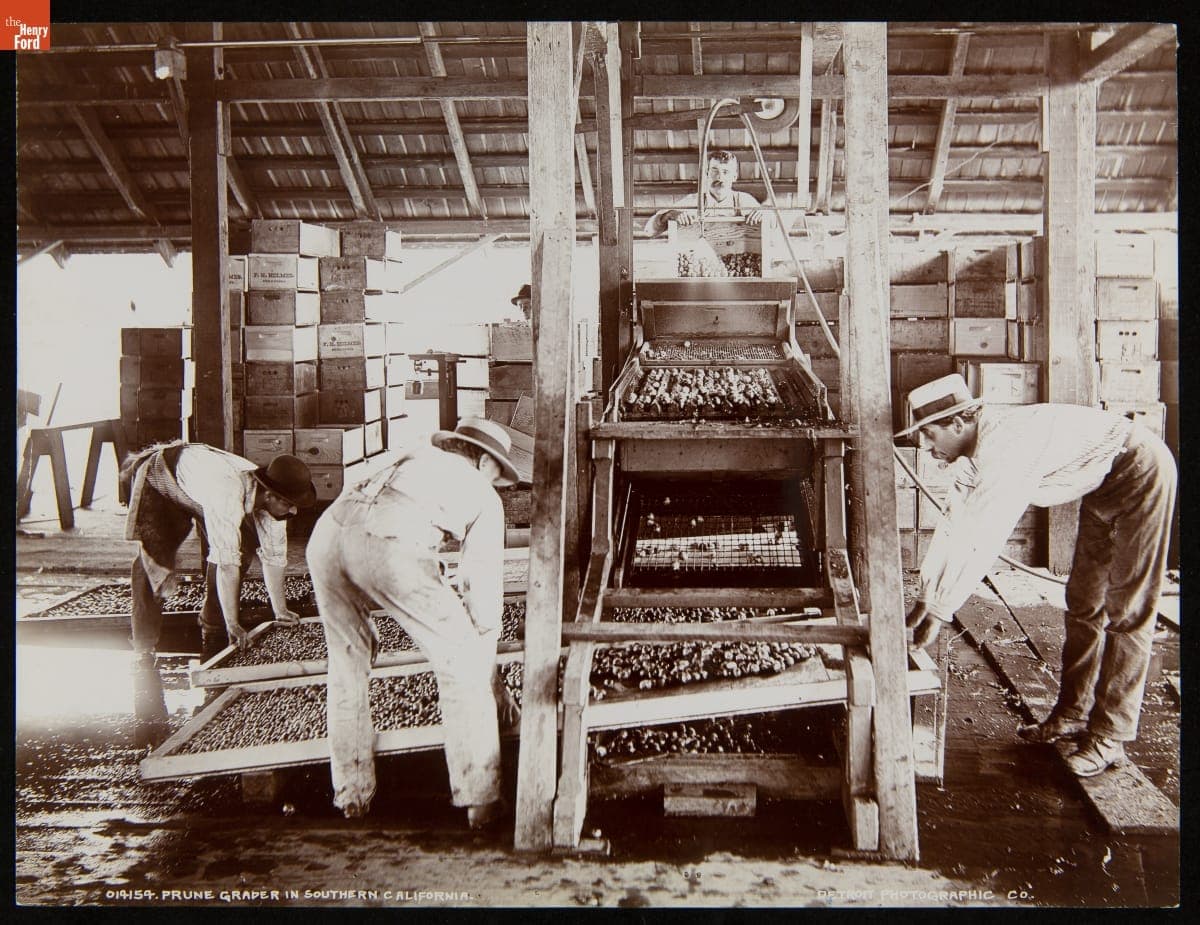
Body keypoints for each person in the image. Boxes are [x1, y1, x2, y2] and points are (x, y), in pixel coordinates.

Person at [896, 374, 1177, 778]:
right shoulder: (973, 455)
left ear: (957, 423)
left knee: (1128, 609)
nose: (925, 446)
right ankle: (1072, 714)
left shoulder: (1005, 448)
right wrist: (927, 595)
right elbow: (956, 524)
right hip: (1103, 483)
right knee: (1084, 601)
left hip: (1139, 469)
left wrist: (941, 611)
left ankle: (1109, 736)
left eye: (929, 433)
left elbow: (984, 537)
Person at [306, 417, 523, 827]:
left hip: (325, 539)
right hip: (387, 546)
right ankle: (481, 800)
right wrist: (491, 678)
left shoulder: (410, 455)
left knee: (346, 666)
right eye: (497, 475)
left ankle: (351, 795)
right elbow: (481, 591)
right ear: (483, 461)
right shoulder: (482, 493)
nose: (496, 484)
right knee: (462, 667)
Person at [121, 441, 317, 663]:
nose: (294, 510)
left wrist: (280, 610)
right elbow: (226, 564)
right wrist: (234, 623)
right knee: (153, 563)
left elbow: (275, 557)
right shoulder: (227, 494)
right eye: (289, 504)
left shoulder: (271, 502)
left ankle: (213, 625)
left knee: (240, 547)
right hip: (163, 476)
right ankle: (144, 646)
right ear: (269, 495)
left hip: (201, 487)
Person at [644, 148, 763, 238]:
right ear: (706, 174)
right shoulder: (693, 201)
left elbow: (771, 227)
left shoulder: (743, 200)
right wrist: (669, 215)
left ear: (734, 177)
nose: (720, 177)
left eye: (726, 172)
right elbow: (649, 232)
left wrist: (765, 215)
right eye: (714, 171)